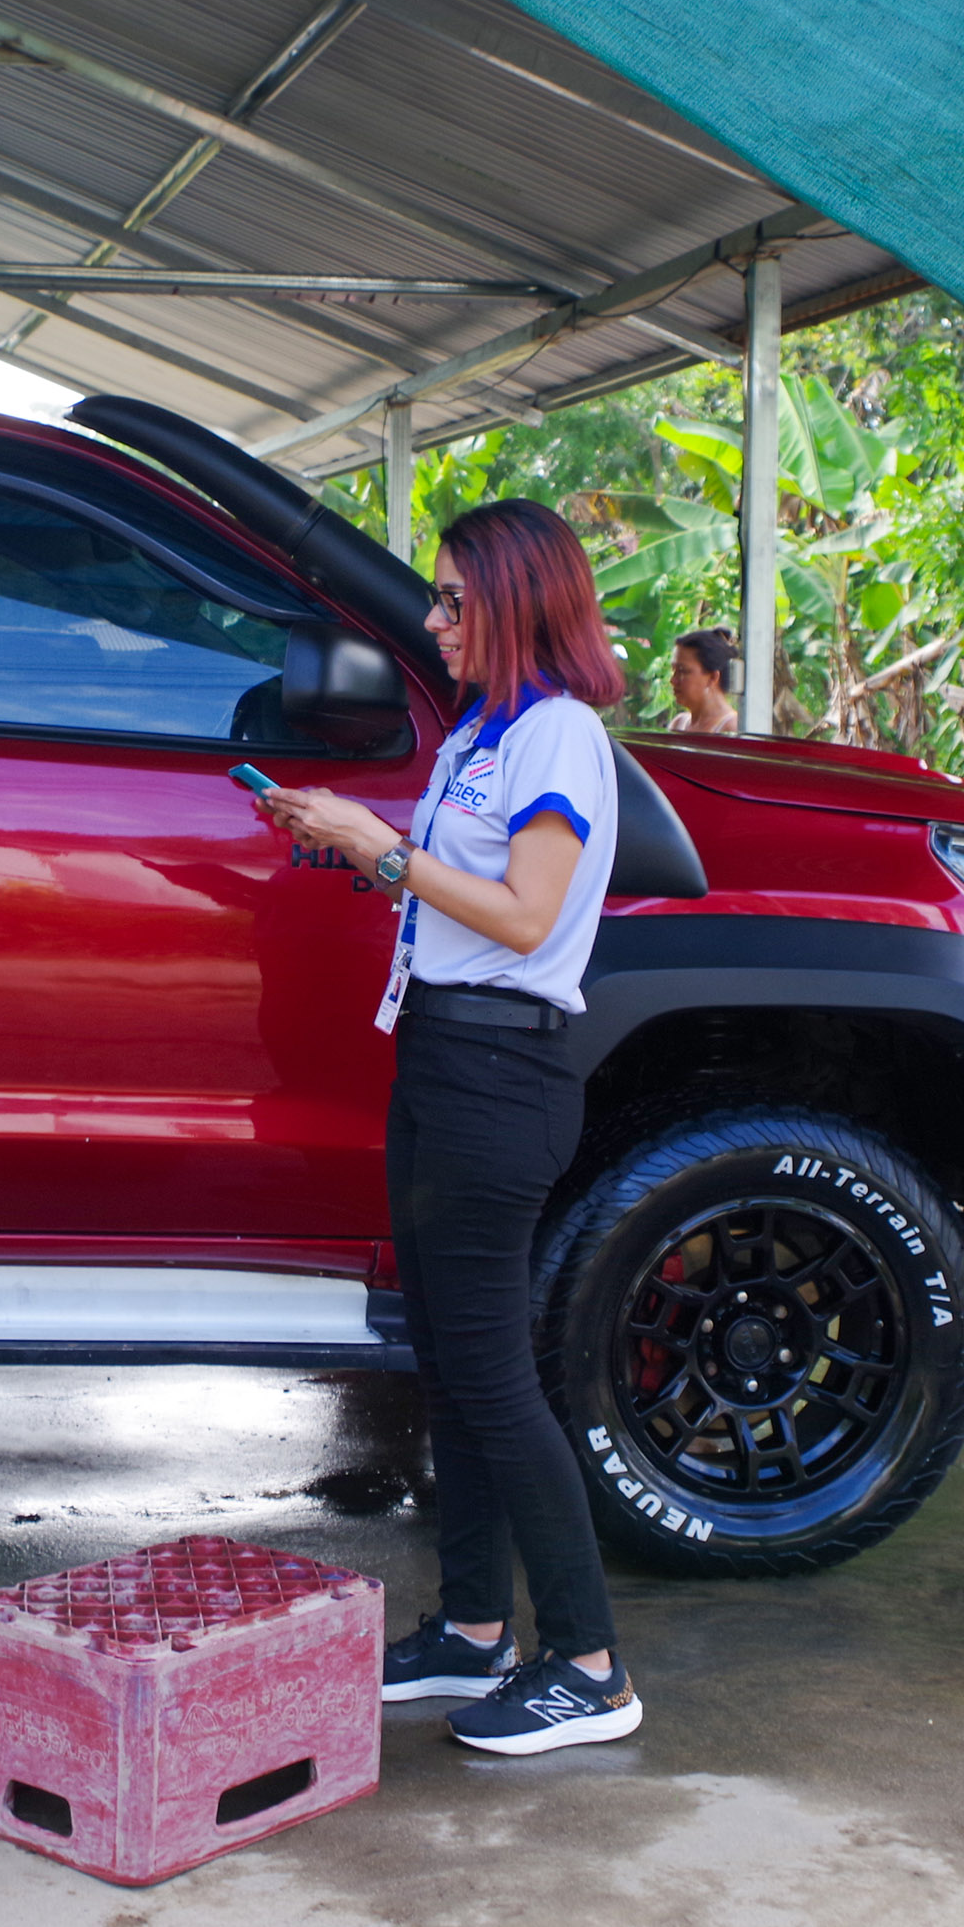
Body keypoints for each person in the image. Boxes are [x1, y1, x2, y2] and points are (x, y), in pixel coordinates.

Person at [255, 498, 640, 1756]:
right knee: (450, 1366)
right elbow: (450, 894)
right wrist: (345, 842)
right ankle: (474, 1628)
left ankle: (587, 1662)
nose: (433, 620)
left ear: (520, 604)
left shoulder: (563, 738)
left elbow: (528, 916)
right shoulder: (481, 733)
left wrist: (380, 847)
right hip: (439, 1050)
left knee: (493, 1374)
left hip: (502, 1072)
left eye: (454, 601)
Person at [666, 626, 739, 734]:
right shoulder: (679, 724)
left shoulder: (732, 728)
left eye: (682, 671)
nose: (673, 680)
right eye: (674, 670)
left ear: (713, 677)